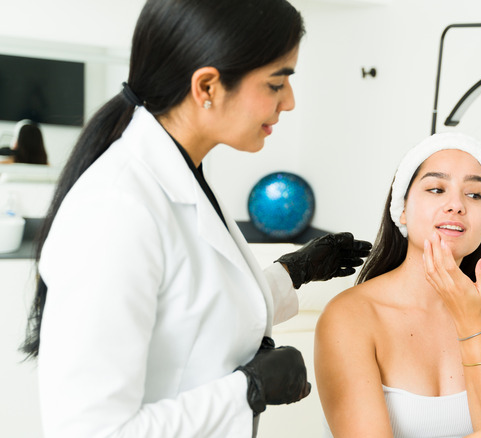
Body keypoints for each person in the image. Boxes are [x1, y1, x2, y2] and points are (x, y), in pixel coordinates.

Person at [19, 1, 370, 437]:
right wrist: (248, 391)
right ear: (207, 86)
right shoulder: (116, 210)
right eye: (277, 83)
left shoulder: (186, 174)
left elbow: (193, 314)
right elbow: (90, 430)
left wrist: (292, 273)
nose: (290, 102)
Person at [314, 132, 481, 438]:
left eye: (475, 195)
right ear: (402, 209)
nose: (456, 205)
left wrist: (471, 326)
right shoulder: (349, 317)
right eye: (436, 189)